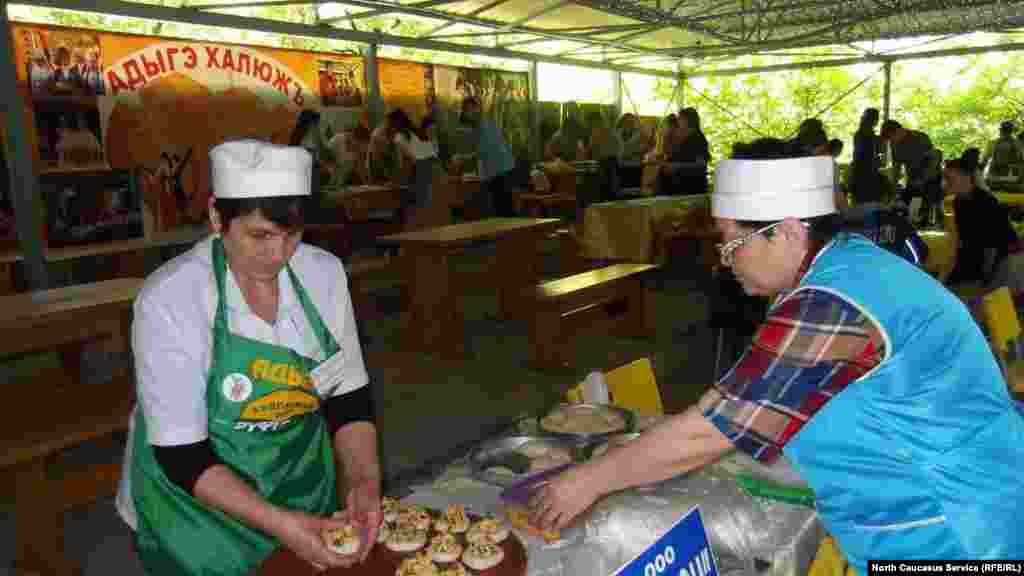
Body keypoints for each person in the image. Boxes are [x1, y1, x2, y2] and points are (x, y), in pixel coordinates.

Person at [530, 150, 1024, 572]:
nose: (725, 259)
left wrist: (588, 480)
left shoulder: (834, 303)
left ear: (786, 232)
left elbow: (715, 428)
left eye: (732, 243)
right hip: (951, 503)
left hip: (954, 531)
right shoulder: (847, 264)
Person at [116, 139, 381, 575]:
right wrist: (282, 524)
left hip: (295, 487)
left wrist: (364, 484)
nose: (278, 255)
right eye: (260, 235)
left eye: (292, 235)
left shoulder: (323, 275)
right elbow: (183, 455)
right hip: (195, 514)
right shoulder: (173, 297)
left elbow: (347, 398)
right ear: (216, 216)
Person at [946, 148, 1019, 285]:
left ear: (966, 177)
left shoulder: (985, 202)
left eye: (950, 179)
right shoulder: (959, 201)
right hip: (978, 257)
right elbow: (963, 240)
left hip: (1000, 260)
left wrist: (985, 280)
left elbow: (993, 244)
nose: (945, 183)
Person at [459, 96, 516, 217]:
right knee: (501, 210)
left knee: (505, 210)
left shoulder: (485, 126)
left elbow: (482, 152)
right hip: (497, 172)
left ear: (476, 109)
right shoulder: (480, 127)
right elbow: (482, 155)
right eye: (466, 110)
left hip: (501, 171)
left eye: (469, 109)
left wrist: (463, 158)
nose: (468, 113)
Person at [387, 108, 445, 229]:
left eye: (389, 124)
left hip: (423, 170)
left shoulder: (399, 137)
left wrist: (395, 181)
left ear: (395, 123)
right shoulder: (415, 132)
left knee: (418, 213)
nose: (388, 127)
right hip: (437, 170)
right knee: (433, 213)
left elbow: (404, 164)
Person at [880, 119, 942, 226]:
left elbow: (933, 160)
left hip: (930, 177)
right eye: (889, 139)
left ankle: (927, 220)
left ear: (899, 131)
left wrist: (923, 179)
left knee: (921, 202)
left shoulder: (920, 137)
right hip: (913, 179)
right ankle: (913, 221)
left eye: (891, 137)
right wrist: (893, 186)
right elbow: (897, 167)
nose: (891, 141)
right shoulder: (894, 144)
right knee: (909, 205)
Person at [658, 107, 710, 195]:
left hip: (692, 189)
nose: (678, 121)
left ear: (687, 121)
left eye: (680, 119)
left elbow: (701, 165)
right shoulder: (684, 139)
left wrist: (676, 166)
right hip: (677, 189)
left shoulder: (698, 139)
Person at [850, 108, 884, 205]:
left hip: (861, 174)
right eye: (876, 119)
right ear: (874, 120)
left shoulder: (862, 134)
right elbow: (867, 154)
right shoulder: (866, 135)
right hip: (866, 175)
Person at [982, 120, 1024, 193]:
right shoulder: (1019, 144)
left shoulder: (992, 143)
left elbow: (984, 162)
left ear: (1000, 130)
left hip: (995, 180)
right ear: (1012, 131)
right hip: (1013, 181)